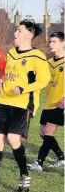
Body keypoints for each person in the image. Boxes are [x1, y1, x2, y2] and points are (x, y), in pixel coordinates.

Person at [0, 19, 50, 192]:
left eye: (18, 30)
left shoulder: (37, 56)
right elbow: (7, 75)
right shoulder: (10, 54)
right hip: (3, 101)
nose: (15, 33)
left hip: (23, 103)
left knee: (13, 138)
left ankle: (25, 176)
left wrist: (25, 88)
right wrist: (1, 81)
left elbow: (43, 80)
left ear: (28, 34)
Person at [28, 31, 65, 171]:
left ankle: (38, 164)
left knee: (48, 132)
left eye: (54, 41)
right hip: (48, 103)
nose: (50, 44)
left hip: (60, 105)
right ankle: (61, 157)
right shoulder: (49, 63)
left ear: (63, 43)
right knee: (43, 133)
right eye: (50, 41)